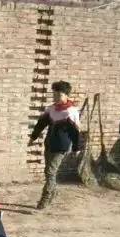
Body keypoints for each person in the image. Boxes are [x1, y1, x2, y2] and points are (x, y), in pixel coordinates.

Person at [28, 80, 81, 209]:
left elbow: (75, 132)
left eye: (59, 95)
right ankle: (54, 191)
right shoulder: (51, 109)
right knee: (48, 171)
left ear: (66, 95)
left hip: (62, 147)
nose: (56, 97)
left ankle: (45, 198)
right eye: (54, 94)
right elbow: (41, 124)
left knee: (50, 172)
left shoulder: (71, 112)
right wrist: (33, 137)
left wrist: (76, 147)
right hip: (49, 143)